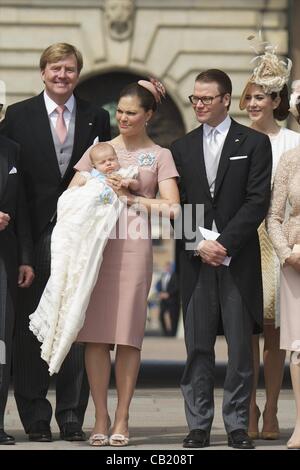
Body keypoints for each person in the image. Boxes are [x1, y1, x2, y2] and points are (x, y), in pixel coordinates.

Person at [0, 42, 111, 442]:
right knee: (33, 327)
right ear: (42, 72)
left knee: (77, 321)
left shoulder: (98, 117)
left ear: (77, 74)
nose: (62, 76)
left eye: (69, 69)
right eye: (55, 69)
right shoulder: (17, 116)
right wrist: (24, 251)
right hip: (32, 234)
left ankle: (70, 415)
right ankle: (34, 415)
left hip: (80, 235)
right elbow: (11, 182)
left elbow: (107, 172)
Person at [73, 78, 179, 446]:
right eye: (119, 111)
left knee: (128, 336)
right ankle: (100, 416)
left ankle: (123, 416)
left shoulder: (160, 155)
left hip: (134, 246)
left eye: (131, 112)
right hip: (96, 248)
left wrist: (135, 198)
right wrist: (99, 182)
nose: (122, 118)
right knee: (96, 337)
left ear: (148, 115)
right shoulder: (98, 150)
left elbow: (172, 208)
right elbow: (72, 193)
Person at [171, 69, 272, 449]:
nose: (198, 104)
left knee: (240, 349)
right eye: (194, 98)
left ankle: (237, 426)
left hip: (239, 260)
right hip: (197, 263)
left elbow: (256, 201)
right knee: (197, 346)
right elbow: (176, 206)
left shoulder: (255, 142)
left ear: (226, 100)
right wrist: (199, 243)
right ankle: (198, 425)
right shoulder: (180, 147)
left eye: (206, 99)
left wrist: (224, 244)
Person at [29, 143, 138, 375]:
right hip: (79, 228)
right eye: (103, 161)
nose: (109, 164)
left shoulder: (122, 175)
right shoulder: (89, 177)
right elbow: (70, 200)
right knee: (64, 273)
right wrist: (77, 190)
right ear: (95, 165)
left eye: (112, 159)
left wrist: (127, 184)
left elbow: (134, 182)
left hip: (101, 233)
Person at [239, 38, 300, 440]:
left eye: (261, 97)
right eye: (249, 97)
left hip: (282, 240)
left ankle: (274, 407)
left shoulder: (293, 143)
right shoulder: (237, 140)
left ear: (277, 100)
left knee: (279, 331)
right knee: (244, 329)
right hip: (246, 238)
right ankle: (247, 407)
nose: (254, 104)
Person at [266, 98, 300, 449]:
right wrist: (286, 252)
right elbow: (274, 216)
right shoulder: (292, 159)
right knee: (298, 346)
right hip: (295, 263)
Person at [0, 134, 34, 444]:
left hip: (5, 262)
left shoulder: (12, 149)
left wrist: (26, 258)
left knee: (0, 343)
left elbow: (21, 206)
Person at [156, 261, 180, 336]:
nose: (167, 268)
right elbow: (158, 285)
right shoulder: (163, 276)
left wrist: (168, 294)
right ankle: (165, 332)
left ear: (171, 267)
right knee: (161, 316)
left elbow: (177, 287)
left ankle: (172, 333)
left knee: (173, 317)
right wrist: (160, 292)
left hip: (172, 300)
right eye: (166, 267)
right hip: (163, 300)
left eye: (168, 266)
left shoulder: (175, 276)